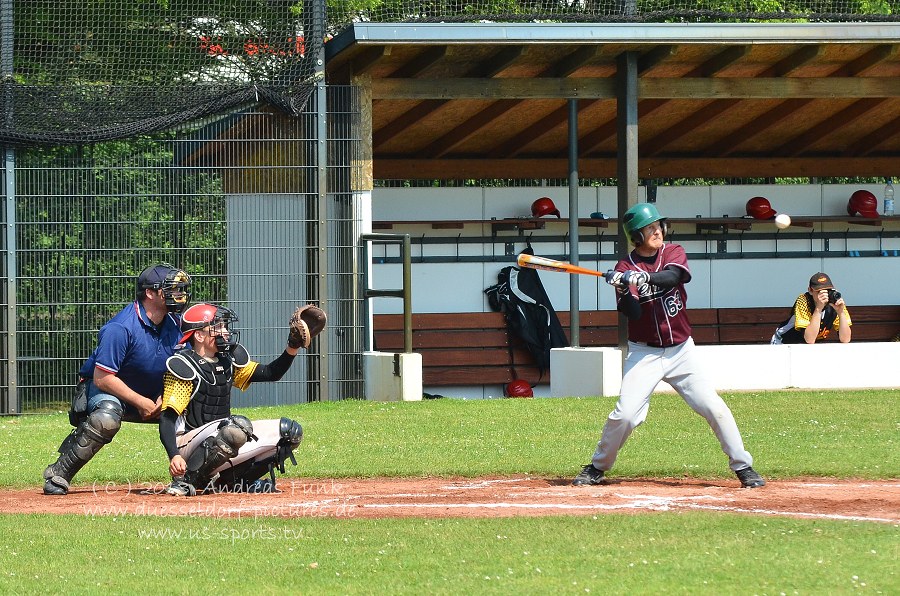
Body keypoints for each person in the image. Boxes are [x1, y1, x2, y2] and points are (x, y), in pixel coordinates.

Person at [572, 203, 765, 489]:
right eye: (649, 228)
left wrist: (646, 278)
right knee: (625, 415)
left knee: (714, 406)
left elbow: (675, 276)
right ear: (636, 235)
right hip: (644, 353)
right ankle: (598, 467)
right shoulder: (625, 267)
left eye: (657, 226)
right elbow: (632, 313)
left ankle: (744, 466)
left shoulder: (672, 252)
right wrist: (623, 287)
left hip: (682, 351)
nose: (656, 231)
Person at [43, 263, 192, 495]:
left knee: (195, 406)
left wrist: (169, 396)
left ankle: (194, 476)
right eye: (171, 289)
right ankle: (59, 473)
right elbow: (103, 378)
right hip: (108, 392)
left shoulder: (176, 323)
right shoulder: (120, 328)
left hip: (154, 395)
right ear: (150, 293)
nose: (179, 295)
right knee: (106, 417)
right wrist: (141, 402)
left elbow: (184, 368)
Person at [160, 302, 326, 496]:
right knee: (236, 428)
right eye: (217, 326)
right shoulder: (183, 365)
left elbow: (270, 373)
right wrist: (174, 455)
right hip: (187, 443)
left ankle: (237, 481)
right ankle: (186, 479)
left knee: (290, 432)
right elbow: (167, 419)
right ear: (199, 335)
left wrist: (292, 346)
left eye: (224, 326)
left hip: (222, 435)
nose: (224, 331)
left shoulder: (227, 360)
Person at [770, 272, 851, 345]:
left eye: (827, 291)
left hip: (807, 345)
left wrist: (840, 313)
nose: (824, 295)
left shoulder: (835, 303)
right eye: (819, 291)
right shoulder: (803, 300)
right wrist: (819, 308)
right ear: (810, 290)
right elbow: (810, 339)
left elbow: (846, 339)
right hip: (784, 342)